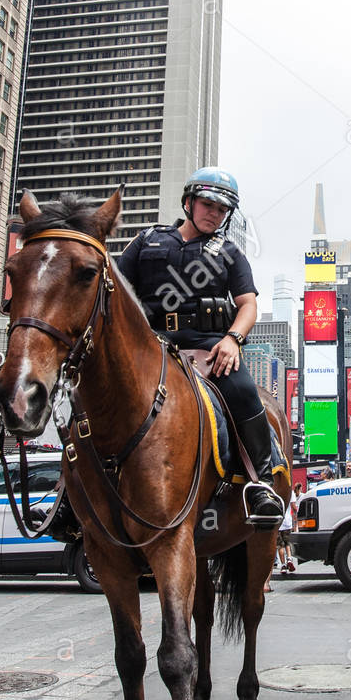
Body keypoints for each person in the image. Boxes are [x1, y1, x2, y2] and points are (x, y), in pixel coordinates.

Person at [116, 167, 284, 527]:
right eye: (208, 204)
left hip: (209, 346)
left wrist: (233, 339)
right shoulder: (147, 240)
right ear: (189, 202)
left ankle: (262, 483)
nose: (215, 214)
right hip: (149, 345)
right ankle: (68, 496)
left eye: (222, 210)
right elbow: (114, 286)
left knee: (242, 391)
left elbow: (248, 304)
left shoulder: (230, 252)